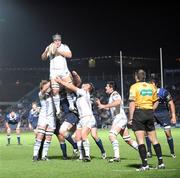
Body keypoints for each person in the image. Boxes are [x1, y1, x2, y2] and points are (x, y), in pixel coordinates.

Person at [128, 69, 165, 171]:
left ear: (136, 76)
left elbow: (132, 103)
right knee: (154, 139)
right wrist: (151, 110)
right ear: (145, 77)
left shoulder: (134, 87)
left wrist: (130, 118)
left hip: (139, 113)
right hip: (149, 113)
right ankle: (161, 163)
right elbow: (157, 101)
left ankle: (145, 165)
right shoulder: (152, 86)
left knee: (140, 140)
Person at [96, 81, 138, 163]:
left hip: (119, 118)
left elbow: (118, 102)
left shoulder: (115, 94)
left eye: (107, 86)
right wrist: (101, 105)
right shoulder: (112, 95)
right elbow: (110, 107)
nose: (105, 88)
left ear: (111, 87)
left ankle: (116, 157)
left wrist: (104, 105)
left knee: (112, 135)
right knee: (128, 139)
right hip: (120, 118)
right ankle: (142, 151)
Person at [55, 77, 95, 162]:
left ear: (89, 88)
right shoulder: (79, 94)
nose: (84, 84)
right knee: (77, 137)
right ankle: (81, 156)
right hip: (81, 118)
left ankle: (87, 156)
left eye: (87, 85)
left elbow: (73, 85)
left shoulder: (84, 92)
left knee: (83, 135)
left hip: (86, 116)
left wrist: (60, 81)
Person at [41, 33, 74, 117]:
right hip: (54, 72)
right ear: (53, 41)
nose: (57, 42)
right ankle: (58, 110)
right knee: (55, 91)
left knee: (69, 88)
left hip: (64, 71)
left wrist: (57, 51)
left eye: (58, 40)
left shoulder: (64, 46)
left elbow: (70, 55)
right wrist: (46, 51)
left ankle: (71, 105)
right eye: (55, 40)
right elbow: (43, 58)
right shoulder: (50, 47)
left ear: (60, 40)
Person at [146, 78, 176, 158]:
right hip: (152, 114)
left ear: (154, 84)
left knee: (168, 133)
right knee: (147, 132)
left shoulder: (163, 92)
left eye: (149, 84)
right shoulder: (148, 93)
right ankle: (149, 151)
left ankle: (172, 152)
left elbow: (171, 103)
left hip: (164, 114)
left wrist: (173, 116)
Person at [33, 80, 56, 161]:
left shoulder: (53, 95)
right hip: (43, 117)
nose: (48, 87)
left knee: (49, 137)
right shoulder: (41, 94)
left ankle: (44, 156)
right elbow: (45, 88)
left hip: (51, 118)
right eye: (46, 86)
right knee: (40, 136)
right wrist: (52, 80)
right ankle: (35, 155)